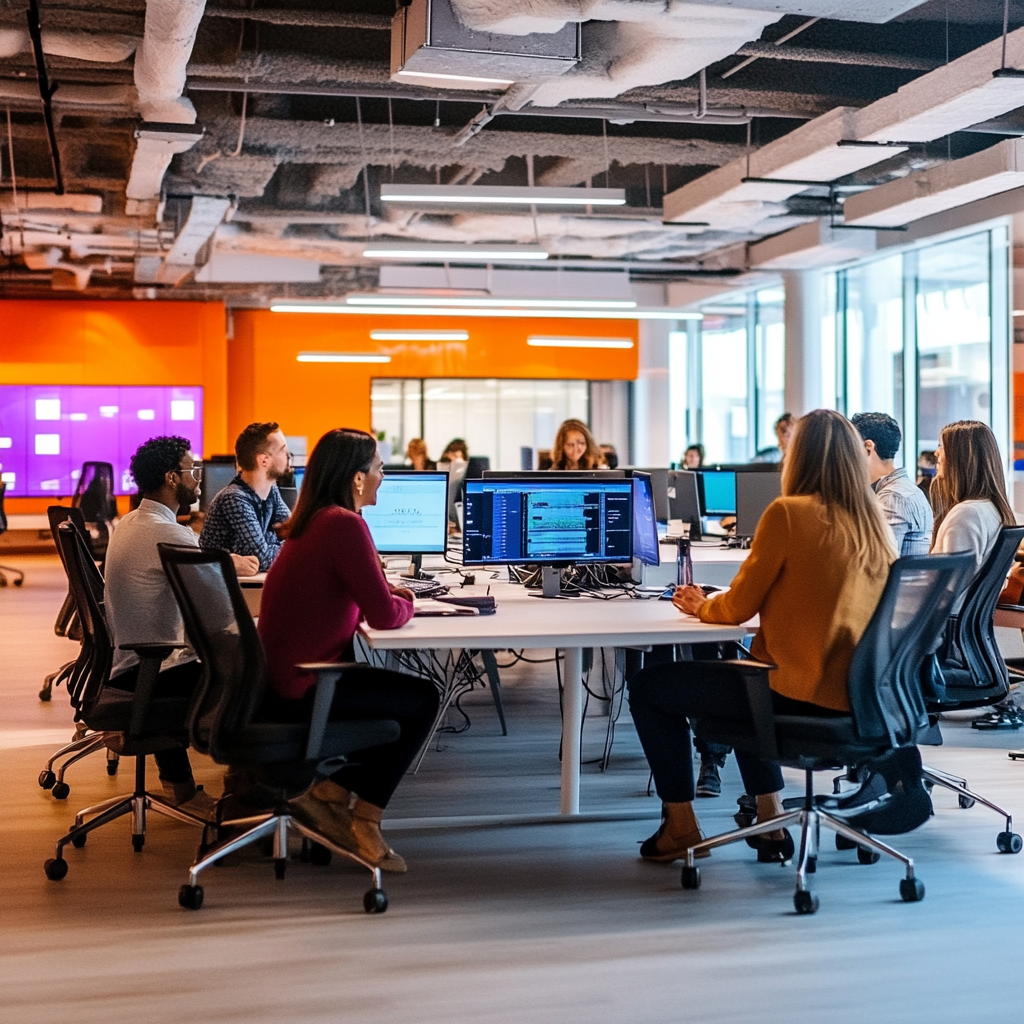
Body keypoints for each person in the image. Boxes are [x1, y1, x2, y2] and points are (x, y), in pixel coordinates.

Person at [627, 409, 894, 863]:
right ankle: (770, 822)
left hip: (797, 695)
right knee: (748, 673)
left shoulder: (789, 513)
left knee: (650, 687)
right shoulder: (874, 523)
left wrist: (699, 604)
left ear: (798, 458)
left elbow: (736, 607)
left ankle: (681, 826)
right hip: (862, 699)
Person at [257, 428, 440, 873]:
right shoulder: (343, 524)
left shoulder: (318, 520)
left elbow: (357, 595)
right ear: (357, 479)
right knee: (423, 699)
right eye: (379, 468)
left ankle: (332, 794)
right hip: (308, 684)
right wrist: (408, 600)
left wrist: (382, 591)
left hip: (285, 678)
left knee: (398, 697)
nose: (383, 477)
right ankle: (364, 818)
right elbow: (383, 616)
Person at [104, 436, 259, 819]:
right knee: (252, 677)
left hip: (130, 665)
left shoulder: (133, 523)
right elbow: (221, 615)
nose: (199, 479)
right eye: (193, 470)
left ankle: (183, 786)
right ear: (172, 478)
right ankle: (249, 795)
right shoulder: (167, 532)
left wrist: (221, 559)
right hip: (147, 669)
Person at [199, 422, 291, 573]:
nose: (288, 455)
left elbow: (294, 534)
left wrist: (273, 544)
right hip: (222, 590)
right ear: (264, 461)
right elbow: (263, 559)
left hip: (246, 585)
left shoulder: (271, 491)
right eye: (283, 450)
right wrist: (279, 544)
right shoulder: (234, 498)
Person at [930, 420, 1016, 580]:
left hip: (944, 605)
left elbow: (952, 586)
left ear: (961, 456)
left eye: (942, 446)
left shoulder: (966, 514)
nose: (936, 453)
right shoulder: (990, 509)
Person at [852, 412, 933, 557]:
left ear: (867, 448)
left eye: (849, 447)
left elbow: (877, 564)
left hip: (898, 580)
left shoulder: (893, 498)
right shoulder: (905, 489)